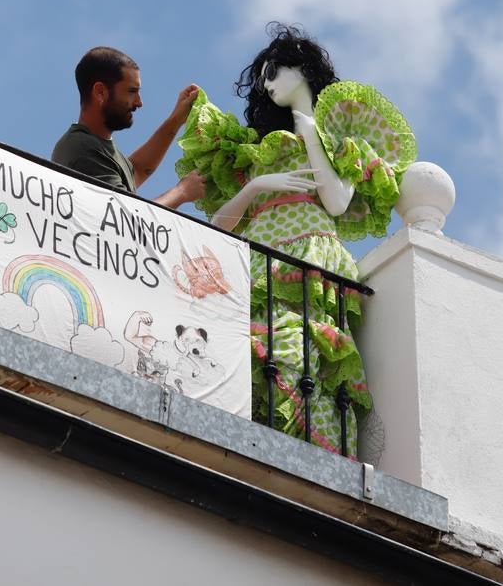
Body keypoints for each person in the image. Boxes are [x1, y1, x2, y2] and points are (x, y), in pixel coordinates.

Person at [176, 24, 417, 456]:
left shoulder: (333, 141)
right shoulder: (255, 149)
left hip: (310, 248)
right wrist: (256, 185)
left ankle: (299, 443)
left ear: (302, 68)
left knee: (302, 347)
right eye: (263, 78)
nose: (268, 85)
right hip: (259, 254)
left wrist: (310, 130)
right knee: (254, 343)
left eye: (275, 71)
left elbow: (338, 202)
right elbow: (221, 225)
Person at [53, 46, 205, 209]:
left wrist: (176, 119)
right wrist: (181, 192)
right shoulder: (83, 147)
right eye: (132, 91)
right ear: (100, 92)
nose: (139, 102)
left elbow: (137, 171)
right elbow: (126, 217)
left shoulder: (96, 147)